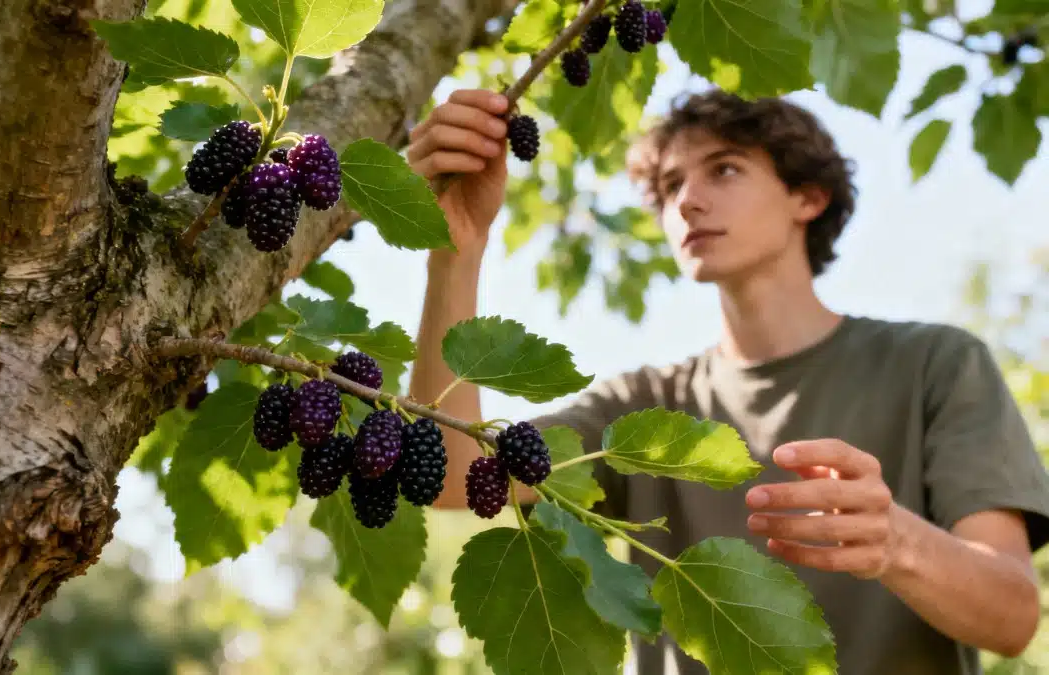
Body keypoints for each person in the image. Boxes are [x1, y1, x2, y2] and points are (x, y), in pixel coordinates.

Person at [404, 87, 1049, 675]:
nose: (687, 200)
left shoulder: (936, 365)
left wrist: (895, 542)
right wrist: (456, 249)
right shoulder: (645, 410)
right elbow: (453, 474)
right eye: (671, 184)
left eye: (725, 169)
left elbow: (1014, 618)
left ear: (808, 197)